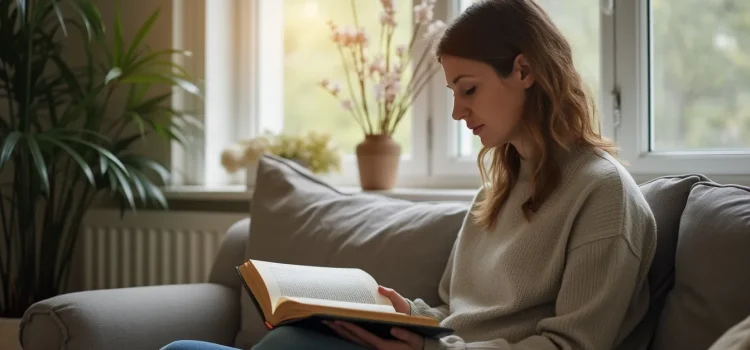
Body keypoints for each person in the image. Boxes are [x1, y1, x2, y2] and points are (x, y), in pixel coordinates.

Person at [162, 0, 657, 349]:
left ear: (524, 71)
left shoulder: (603, 194)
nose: (457, 112)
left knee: (289, 346)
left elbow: (573, 346)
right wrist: (412, 317)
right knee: (186, 348)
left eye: (469, 89)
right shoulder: (499, 188)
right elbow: (457, 313)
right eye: (452, 93)